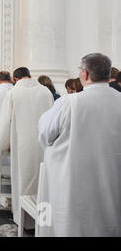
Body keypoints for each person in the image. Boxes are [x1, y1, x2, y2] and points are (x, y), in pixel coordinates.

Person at [38, 53, 121, 236]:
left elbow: (45, 133)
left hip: (72, 185)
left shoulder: (68, 103)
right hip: (112, 185)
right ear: (107, 74)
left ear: (84, 74)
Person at [0, 67, 54, 228]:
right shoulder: (45, 92)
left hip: (21, 143)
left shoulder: (14, 93)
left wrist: (3, 143)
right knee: (42, 180)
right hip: (43, 144)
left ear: (15, 78)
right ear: (29, 75)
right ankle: (42, 220)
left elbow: (5, 120)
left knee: (23, 178)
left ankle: (23, 220)